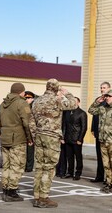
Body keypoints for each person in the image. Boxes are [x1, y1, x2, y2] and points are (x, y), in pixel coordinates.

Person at [29, 78, 77, 208]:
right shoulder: (57, 100)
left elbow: (31, 121)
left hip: (39, 135)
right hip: (51, 136)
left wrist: (34, 136)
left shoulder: (36, 101)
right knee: (49, 167)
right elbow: (74, 104)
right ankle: (43, 198)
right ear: (56, 88)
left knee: (39, 166)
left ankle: (37, 197)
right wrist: (67, 93)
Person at [0, 82, 33, 202]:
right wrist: (29, 138)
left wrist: (2, 134)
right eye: (24, 92)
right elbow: (27, 123)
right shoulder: (22, 103)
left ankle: (5, 188)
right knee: (17, 165)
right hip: (18, 139)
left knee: (6, 165)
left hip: (5, 138)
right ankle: (12, 192)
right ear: (21, 92)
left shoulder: (3, 104)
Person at [88, 89, 112, 193]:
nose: (107, 98)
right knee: (106, 164)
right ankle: (108, 183)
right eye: (106, 96)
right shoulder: (102, 108)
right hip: (103, 140)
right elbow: (91, 110)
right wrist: (98, 101)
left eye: (109, 96)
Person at [90, 82, 111, 183]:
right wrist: (93, 129)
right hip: (98, 132)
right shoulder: (99, 100)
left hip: (107, 134)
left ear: (109, 88)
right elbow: (94, 115)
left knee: (107, 157)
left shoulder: (110, 100)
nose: (102, 89)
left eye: (104, 88)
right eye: (101, 88)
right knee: (99, 155)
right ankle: (99, 176)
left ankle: (108, 179)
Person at [63, 97, 87, 180]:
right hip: (67, 138)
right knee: (69, 157)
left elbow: (84, 127)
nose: (73, 103)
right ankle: (70, 172)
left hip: (77, 139)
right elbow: (64, 126)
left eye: (75, 101)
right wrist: (63, 137)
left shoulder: (82, 113)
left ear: (78, 103)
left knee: (78, 157)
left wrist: (80, 139)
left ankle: (78, 173)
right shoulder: (67, 112)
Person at [24, 91, 36, 172]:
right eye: (26, 98)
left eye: (28, 98)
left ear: (32, 99)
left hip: (33, 131)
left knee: (30, 150)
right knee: (26, 150)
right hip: (26, 131)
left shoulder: (34, 107)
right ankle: (25, 165)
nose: (27, 99)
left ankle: (29, 166)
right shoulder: (25, 107)